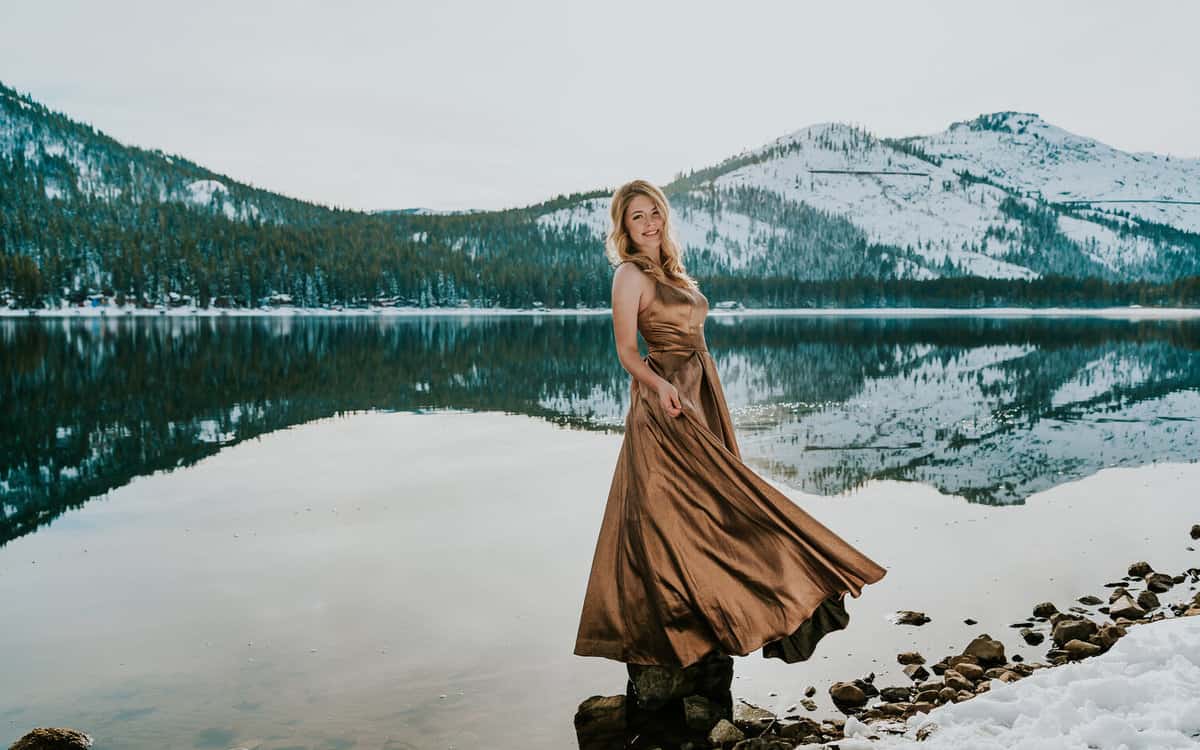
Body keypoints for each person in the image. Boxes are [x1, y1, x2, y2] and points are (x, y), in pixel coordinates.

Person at [573, 179, 888, 669]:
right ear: (625, 228)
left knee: (718, 506)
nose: (650, 222)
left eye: (654, 212)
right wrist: (661, 389)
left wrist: (695, 389)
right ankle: (671, 630)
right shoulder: (630, 275)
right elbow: (627, 353)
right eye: (638, 216)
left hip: (701, 391)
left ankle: (729, 609)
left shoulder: (671, 270)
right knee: (670, 514)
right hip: (666, 400)